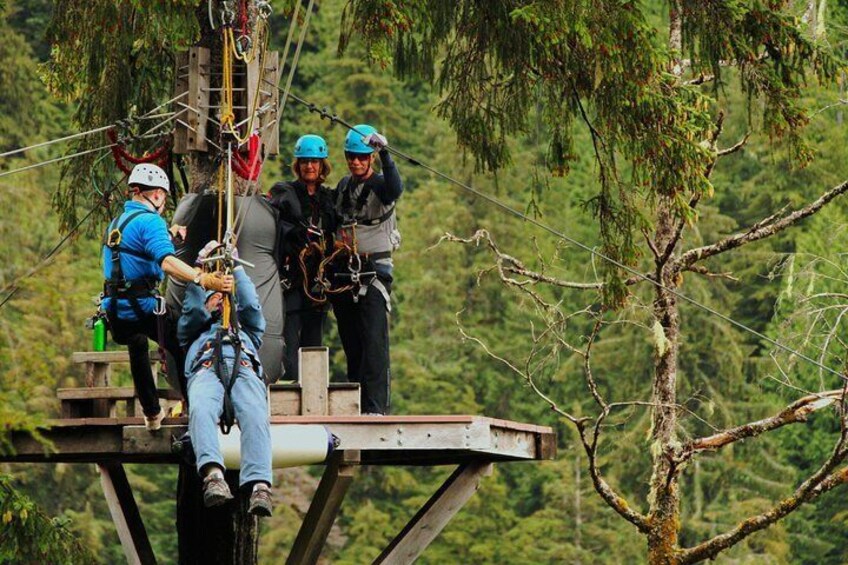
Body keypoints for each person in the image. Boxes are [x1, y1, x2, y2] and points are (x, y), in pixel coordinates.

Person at [101, 163, 232, 431]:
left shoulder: (117, 223)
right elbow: (167, 262)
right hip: (142, 306)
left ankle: (151, 414)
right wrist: (202, 278)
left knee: (136, 343)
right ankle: (196, 407)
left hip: (115, 309)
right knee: (186, 341)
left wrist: (169, 235)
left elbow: (135, 252)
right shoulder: (151, 221)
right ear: (158, 194)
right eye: (162, 196)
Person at [178, 241, 273, 515]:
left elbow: (252, 308)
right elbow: (193, 310)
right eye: (214, 296)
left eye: (223, 296)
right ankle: (213, 475)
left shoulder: (247, 331)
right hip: (206, 368)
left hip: (243, 366)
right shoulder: (194, 332)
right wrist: (200, 272)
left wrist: (237, 269)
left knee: (255, 412)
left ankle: (260, 486)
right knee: (201, 407)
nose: (219, 298)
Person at [330, 125, 402, 415]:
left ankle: (375, 407)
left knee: (374, 341)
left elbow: (395, 188)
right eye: (351, 157)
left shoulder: (382, 186)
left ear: (370, 157)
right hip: (345, 270)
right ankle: (356, 404)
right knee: (352, 341)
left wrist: (385, 153)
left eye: (362, 157)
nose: (356, 162)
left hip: (374, 271)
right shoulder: (344, 187)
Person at [267, 134, 338, 380]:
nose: (309, 166)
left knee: (313, 340)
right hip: (293, 277)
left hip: (318, 280)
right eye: (305, 161)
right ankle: (290, 386)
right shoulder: (286, 193)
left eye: (314, 161)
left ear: (322, 165)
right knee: (290, 336)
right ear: (298, 164)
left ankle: (313, 389)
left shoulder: (328, 199)